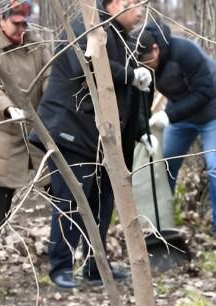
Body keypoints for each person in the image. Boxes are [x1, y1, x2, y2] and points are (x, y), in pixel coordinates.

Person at [34, 0, 151, 290]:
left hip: (100, 140)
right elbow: (87, 63)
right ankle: (60, 267)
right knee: (72, 201)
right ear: (113, 4)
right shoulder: (85, 26)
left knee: (102, 203)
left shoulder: (121, 37)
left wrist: (141, 130)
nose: (140, 12)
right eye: (133, 4)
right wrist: (130, 75)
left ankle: (94, 266)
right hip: (70, 132)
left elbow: (128, 96)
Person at [134, 24, 216, 238]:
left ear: (156, 49)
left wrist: (168, 116)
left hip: (215, 109)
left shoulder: (184, 51)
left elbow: (204, 92)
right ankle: (161, 225)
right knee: (166, 164)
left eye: (148, 60)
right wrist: (144, 128)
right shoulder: (146, 64)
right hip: (182, 112)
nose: (147, 66)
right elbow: (142, 97)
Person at [0, 1, 50, 228]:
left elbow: (50, 75)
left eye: (24, 24)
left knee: (52, 178)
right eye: (16, 24)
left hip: (37, 122)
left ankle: (67, 224)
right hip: (5, 127)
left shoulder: (35, 43)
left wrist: (50, 102)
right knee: (5, 184)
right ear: (2, 19)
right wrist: (8, 109)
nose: (21, 30)